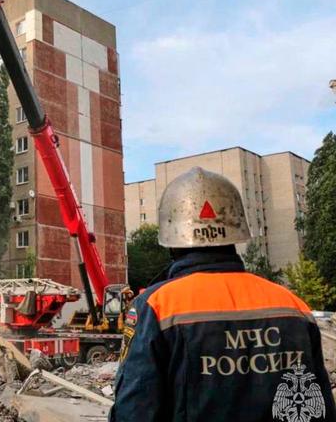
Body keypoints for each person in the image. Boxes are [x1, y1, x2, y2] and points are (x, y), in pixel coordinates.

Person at [110, 167, 336, 422]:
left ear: (171, 240)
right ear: (236, 232)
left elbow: (134, 411)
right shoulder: (294, 306)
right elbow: (319, 409)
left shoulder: (157, 306)